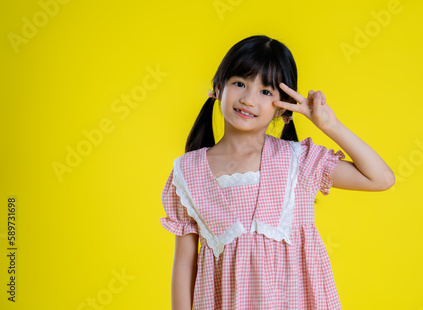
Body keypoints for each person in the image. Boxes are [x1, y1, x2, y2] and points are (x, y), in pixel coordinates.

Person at [160, 34, 395, 309]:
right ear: (218, 88)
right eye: (239, 83)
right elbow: (185, 264)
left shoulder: (299, 161)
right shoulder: (189, 172)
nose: (248, 99)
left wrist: (330, 125)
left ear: (282, 107)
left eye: (266, 91)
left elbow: (380, 178)